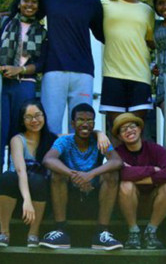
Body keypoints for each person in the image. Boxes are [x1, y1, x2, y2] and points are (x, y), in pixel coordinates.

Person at [40, 103, 123, 251]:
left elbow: (117, 161)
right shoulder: (65, 141)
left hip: (94, 194)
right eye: (80, 120)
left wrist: (90, 175)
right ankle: (60, 230)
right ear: (72, 123)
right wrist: (74, 176)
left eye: (89, 120)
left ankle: (102, 232)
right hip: (69, 194)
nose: (85, 124)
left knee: (112, 174)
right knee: (57, 174)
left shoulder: (99, 141)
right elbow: (48, 159)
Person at [40, 0, 104, 134]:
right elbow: (27, 12)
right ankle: (49, 163)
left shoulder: (92, 2)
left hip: (83, 72)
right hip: (53, 70)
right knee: (50, 126)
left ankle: (77, 163)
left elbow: (103, 35)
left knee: (81, 127)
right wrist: (2, 15)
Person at [0, 0, 48, 168]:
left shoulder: (42, 32)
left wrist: (19, 70)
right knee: (0, 131)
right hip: (2, 82)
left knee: (20, 131)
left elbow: (40, 64)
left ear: (39, 6)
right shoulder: (3, 22)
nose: (29, 5)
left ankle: (16, 175)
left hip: (25, 85)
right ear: (19, 3)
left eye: (34, 2)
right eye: (25, 1)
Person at [100, 0, 154, 141]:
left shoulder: (147, 11)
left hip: (140, 76)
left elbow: (153, 42)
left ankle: (138, 170)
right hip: (113, 75)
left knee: (136, 131)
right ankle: (117, 168)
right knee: (116, 131)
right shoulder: (105, 3)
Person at [0, 100, 57, 248]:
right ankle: (4, 233)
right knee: (7, 177)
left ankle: (33, 233)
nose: (34, 120)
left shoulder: (52, 139)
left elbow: (79, 134)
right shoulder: (17, 140)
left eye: (37, 115)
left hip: (41, 200)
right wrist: (26, 201)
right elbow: (20, 171)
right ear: (22, 121)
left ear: (44, 116)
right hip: (17, 200)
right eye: (28, 117)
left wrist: (99, 133)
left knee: (38, 180)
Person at [112, 113, 166, 249]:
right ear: (119, 136)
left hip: (154, 201)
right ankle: (133, 233)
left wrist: (138, 176)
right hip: (126, 202)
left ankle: (151, 232)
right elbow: (121, 174)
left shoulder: (156, 149)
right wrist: (153, 169)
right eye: (123, 129)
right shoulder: (117, 153)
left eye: (132, 126)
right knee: (126, 185)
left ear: (140, 129)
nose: (129, 131)